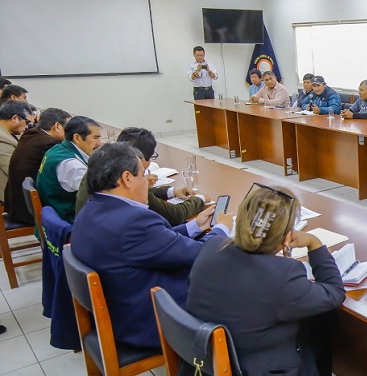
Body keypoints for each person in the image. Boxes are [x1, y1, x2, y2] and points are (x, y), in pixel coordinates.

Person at [187, 186, 358, 376]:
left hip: (207, 368)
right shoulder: (283, 274)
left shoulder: (211, 247)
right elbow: (335, 293)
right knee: (323, 317)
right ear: (286, 236)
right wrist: (314, 243)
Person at [71, 143, 232, 349]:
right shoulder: (133, 221)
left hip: (121, 310)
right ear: (127, 178)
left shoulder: (92, 209)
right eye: (143, 175)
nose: (147, 182)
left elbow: (157, 242)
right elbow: (200, 255)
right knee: (236, 282)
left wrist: (195, 226)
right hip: (150, 321)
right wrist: (222, 229)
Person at [75, 127, 205, 226]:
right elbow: (175, 215)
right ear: (139, 159)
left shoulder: (101, 167)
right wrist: (200, 199)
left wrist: (171, 191)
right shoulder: (129, 183)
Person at [6, 107, 70, 224]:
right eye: (68, 128)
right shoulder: (50, 143)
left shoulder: (30, 134)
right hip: (29, 211)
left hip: (16, 204)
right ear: (57, 126)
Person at [36, 116, 103, 223]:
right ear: (77, 138)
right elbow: (97, 194)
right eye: (95, 138)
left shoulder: (58, 149)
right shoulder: (71, 165)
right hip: (67, 220)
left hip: (52, 213)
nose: (99, 143)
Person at [0, 101, 34, 204]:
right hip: (6, 198)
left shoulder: (9, 134)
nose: (27, 127)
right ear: (15, 118)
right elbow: (13, 169)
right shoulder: (2, 138)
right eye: (27, 122)